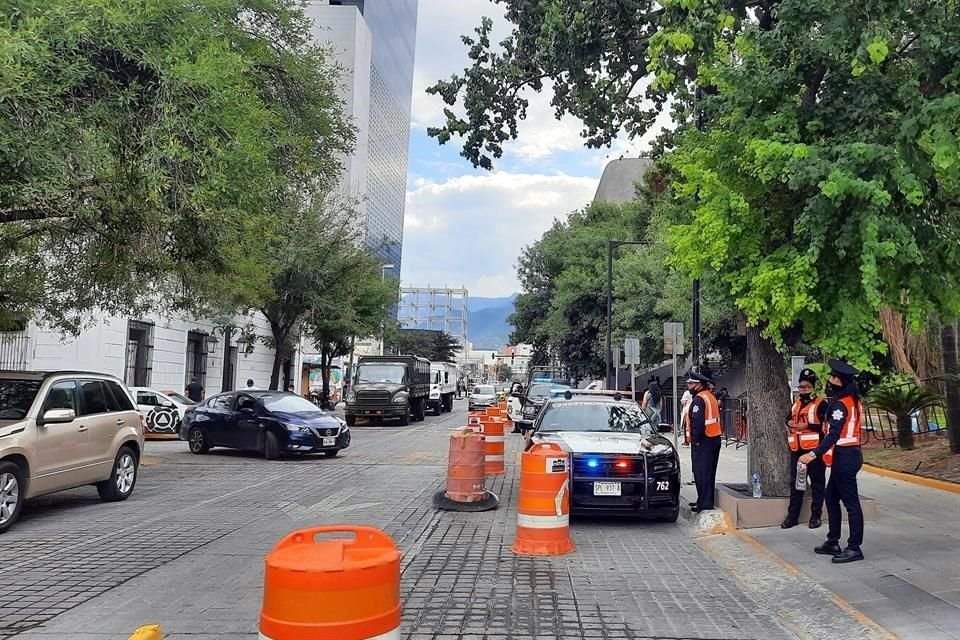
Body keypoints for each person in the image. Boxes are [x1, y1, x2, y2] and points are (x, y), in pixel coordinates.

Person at [799, 359, 865, 564]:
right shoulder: (853, 400)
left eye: (833, 378)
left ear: (839, 380)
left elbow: (833, 435)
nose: (829, 381)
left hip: (846, 456)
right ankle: (832, 541)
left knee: (851, 504)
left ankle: (854, 547)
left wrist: (813, 454)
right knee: (831, 498)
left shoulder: (840, 405)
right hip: (847, 455)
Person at [782, 369, 828, 529]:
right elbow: (788, 417)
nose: (804, 389)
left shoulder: (821, 404)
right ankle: (792, 517)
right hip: (797, 450)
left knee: (817, 484)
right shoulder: (796, 403)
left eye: (807, 387)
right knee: (796, 484)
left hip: (814, 451)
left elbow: (825, 427)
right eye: (801, 387)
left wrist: (807, 425)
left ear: (813, 387)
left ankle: (815, 517)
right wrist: (789, 422)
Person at [685, 371, 722, 512]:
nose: (688, 386)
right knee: (709, 473)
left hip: (704, 440)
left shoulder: (699, 399)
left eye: (691, 383)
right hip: (714, 438)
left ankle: (704, 504)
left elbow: (698, 423)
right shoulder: (710, 396)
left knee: (701, 473)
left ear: (698, 385)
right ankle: (703, 500)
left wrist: (695, 441)